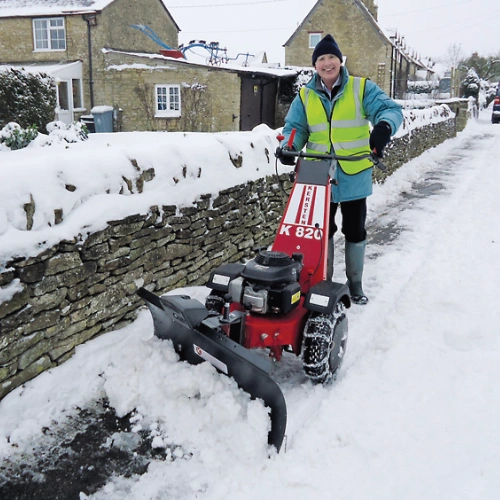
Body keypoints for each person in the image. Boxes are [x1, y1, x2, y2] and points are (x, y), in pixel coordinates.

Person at [277, 34, 403, 305]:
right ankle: (324, 283)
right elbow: (296, 127)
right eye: (321, 58)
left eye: (331, 57)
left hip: (354, 171)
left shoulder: (361, 88)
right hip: (317, 174)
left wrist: (382, 128)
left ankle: (355, 285)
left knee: (354, 230)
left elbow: (390, 110)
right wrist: (289, 146)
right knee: (320, 232)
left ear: (340, 60)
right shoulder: (306, 95)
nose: (327, 63)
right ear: (316, 65)